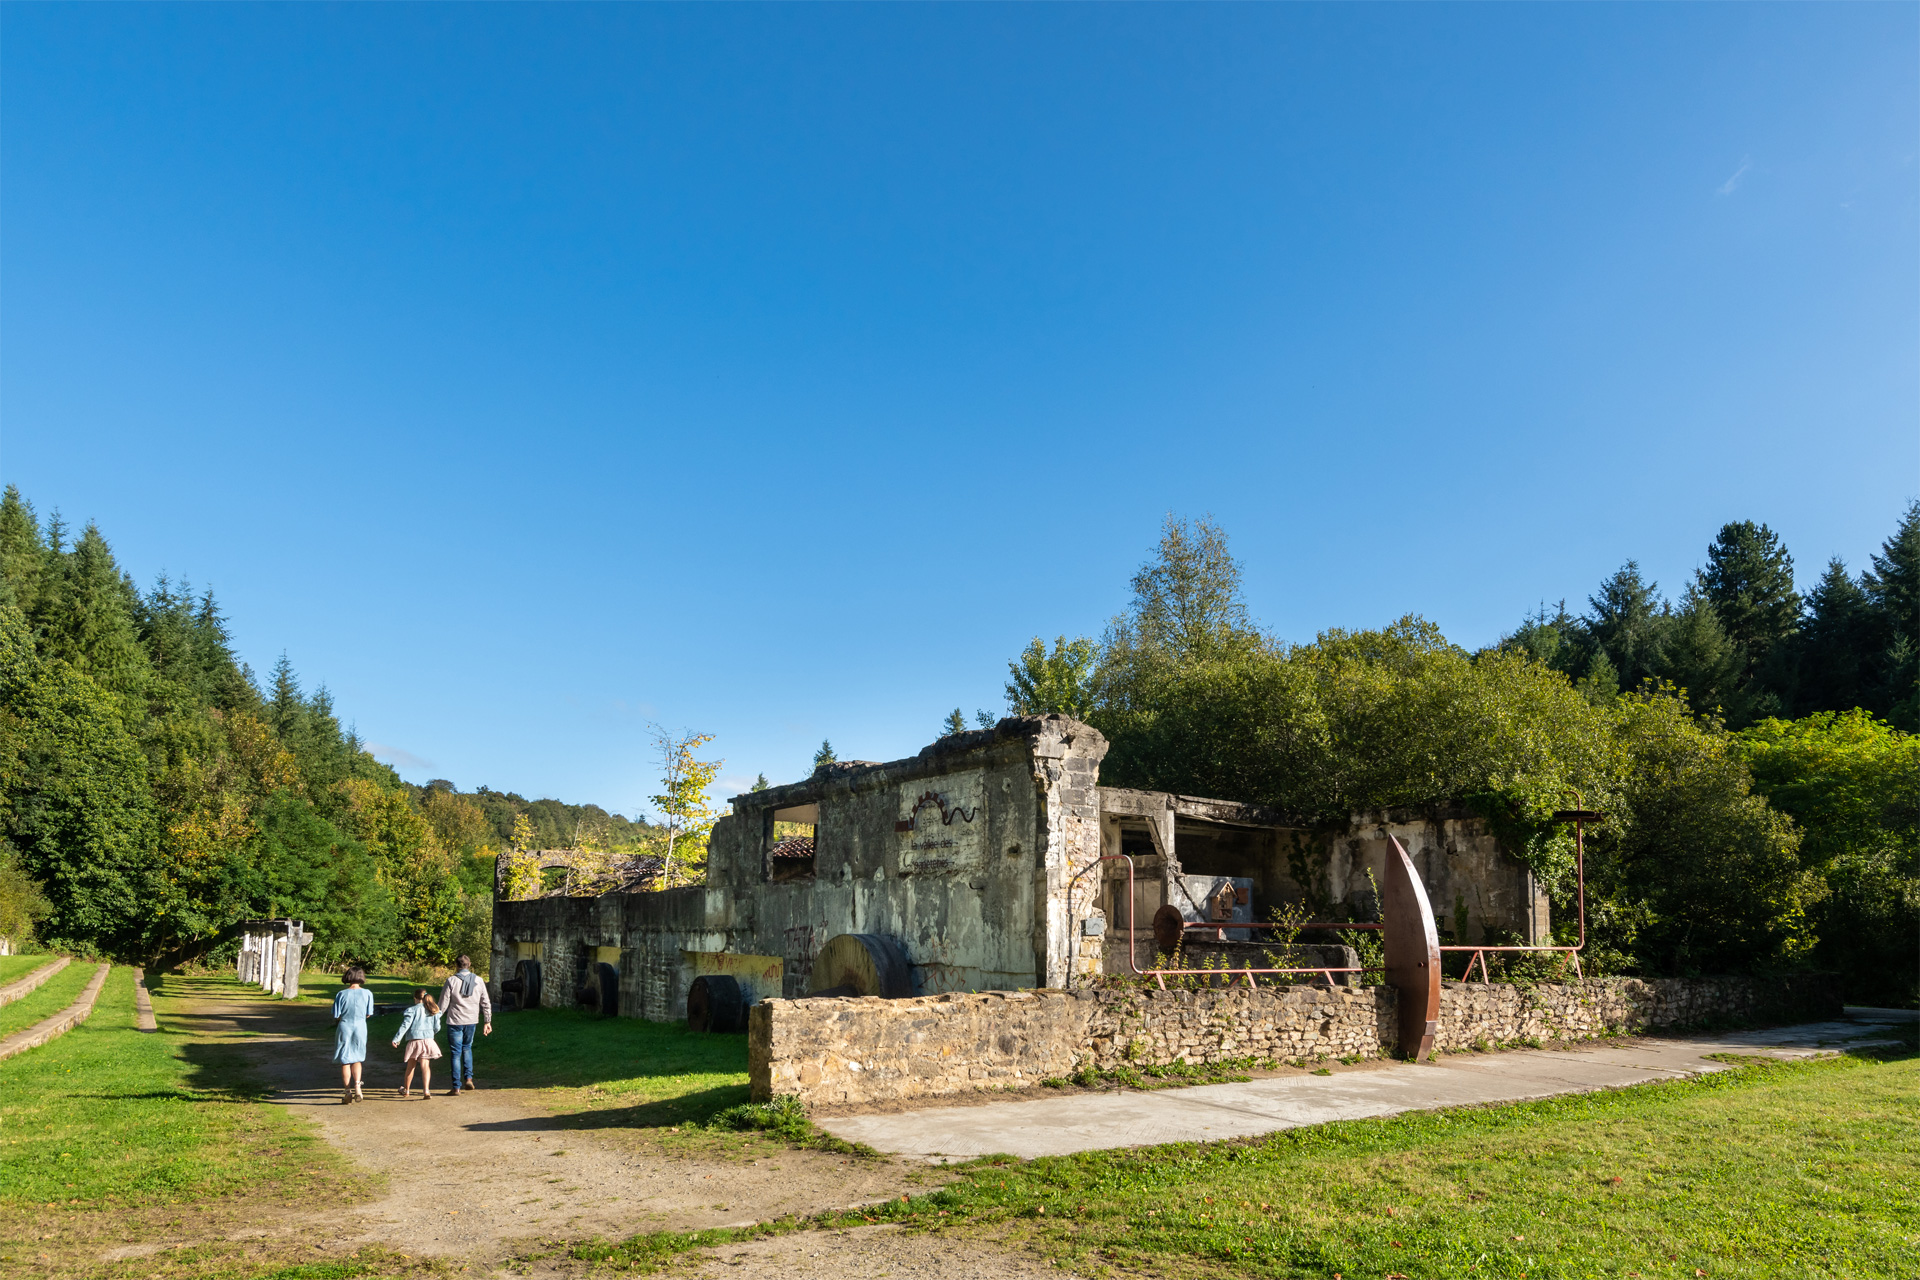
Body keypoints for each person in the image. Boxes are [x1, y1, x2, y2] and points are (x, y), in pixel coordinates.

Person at [438, 954, 493, 1095]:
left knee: (455, 1053)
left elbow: (443, 1004)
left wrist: (435, 1019)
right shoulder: (479, 981)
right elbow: (485, 1002)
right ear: (469, 965)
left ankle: (456, 1087)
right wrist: (487, 1021)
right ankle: (469, 1078)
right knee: (467, 1048)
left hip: (455, 1020)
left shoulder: (451, 981)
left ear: (456, 965)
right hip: (471, 1020)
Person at [332, 966, 374, 1104]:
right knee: (357, 1058)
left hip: (345, 1025)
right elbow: (369, 1013)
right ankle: (358, 1086)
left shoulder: (341, 994)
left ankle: (347, 1091)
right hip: (361, 1026)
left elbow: (336, 1014)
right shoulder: (368, 993)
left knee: (345, 1059)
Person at [392, 988, 444, 1099]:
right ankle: (426, 1091)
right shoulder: (433, 1009)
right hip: (428, 1041)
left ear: (415, 998)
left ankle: (406, 1090)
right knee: (425, 1066)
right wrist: (431, 1033)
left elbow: (405, 1025)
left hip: (415, 1041)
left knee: (411, 1066)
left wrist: (397, 1039)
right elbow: (437, 1027)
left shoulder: (412, 1010)